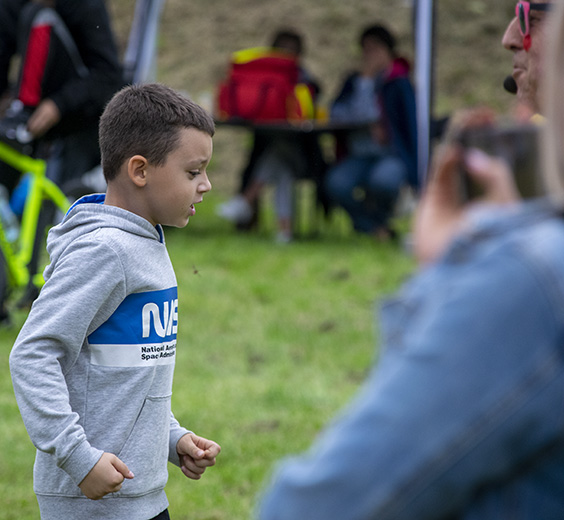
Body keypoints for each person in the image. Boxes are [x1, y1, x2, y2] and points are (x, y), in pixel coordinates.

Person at [257, 2, 564, 519]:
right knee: (338, 182)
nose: (511, 36)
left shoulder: (535, 279)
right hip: (359, 161)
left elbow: (314, 506)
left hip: (388, 165)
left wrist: (461, 271)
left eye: (529, 10)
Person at [9, 83, 222, 520]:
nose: (206, 185)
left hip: (140, 496)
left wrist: (172, 438)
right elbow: (33, 354)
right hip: (94, 503)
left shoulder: (145, 243)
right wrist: (78, 457)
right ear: (140, 170)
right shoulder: (105, 252)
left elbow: (128, 381)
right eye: (193, 172)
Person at [0, 0, 124, 197]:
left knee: (66, 206)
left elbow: (107, 75)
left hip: (85, 117)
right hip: (31, 114)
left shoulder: (86, 6)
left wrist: (58, 104)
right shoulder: (11, 5)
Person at [216, 28, 327, 242]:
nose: (286, 56)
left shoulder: (304, 82)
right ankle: (283, 232)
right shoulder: (262, 79)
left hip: (306, 158)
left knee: (278, 155)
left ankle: (246, 201)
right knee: (281, 168)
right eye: (281, 51)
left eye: (291, 52)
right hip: (281, 160)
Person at [324, 24, 417, 241]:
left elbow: (410, 124)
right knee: (336, 183)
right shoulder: (354, 81)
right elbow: (336, 113)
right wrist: (365, 82)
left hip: (391, 154)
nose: (369, 54)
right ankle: (373, 227)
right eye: (365, 49)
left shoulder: (398, 82)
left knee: (383, 182)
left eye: (375, 48)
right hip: (359, 155)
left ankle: (379, 223)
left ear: (388, 51)